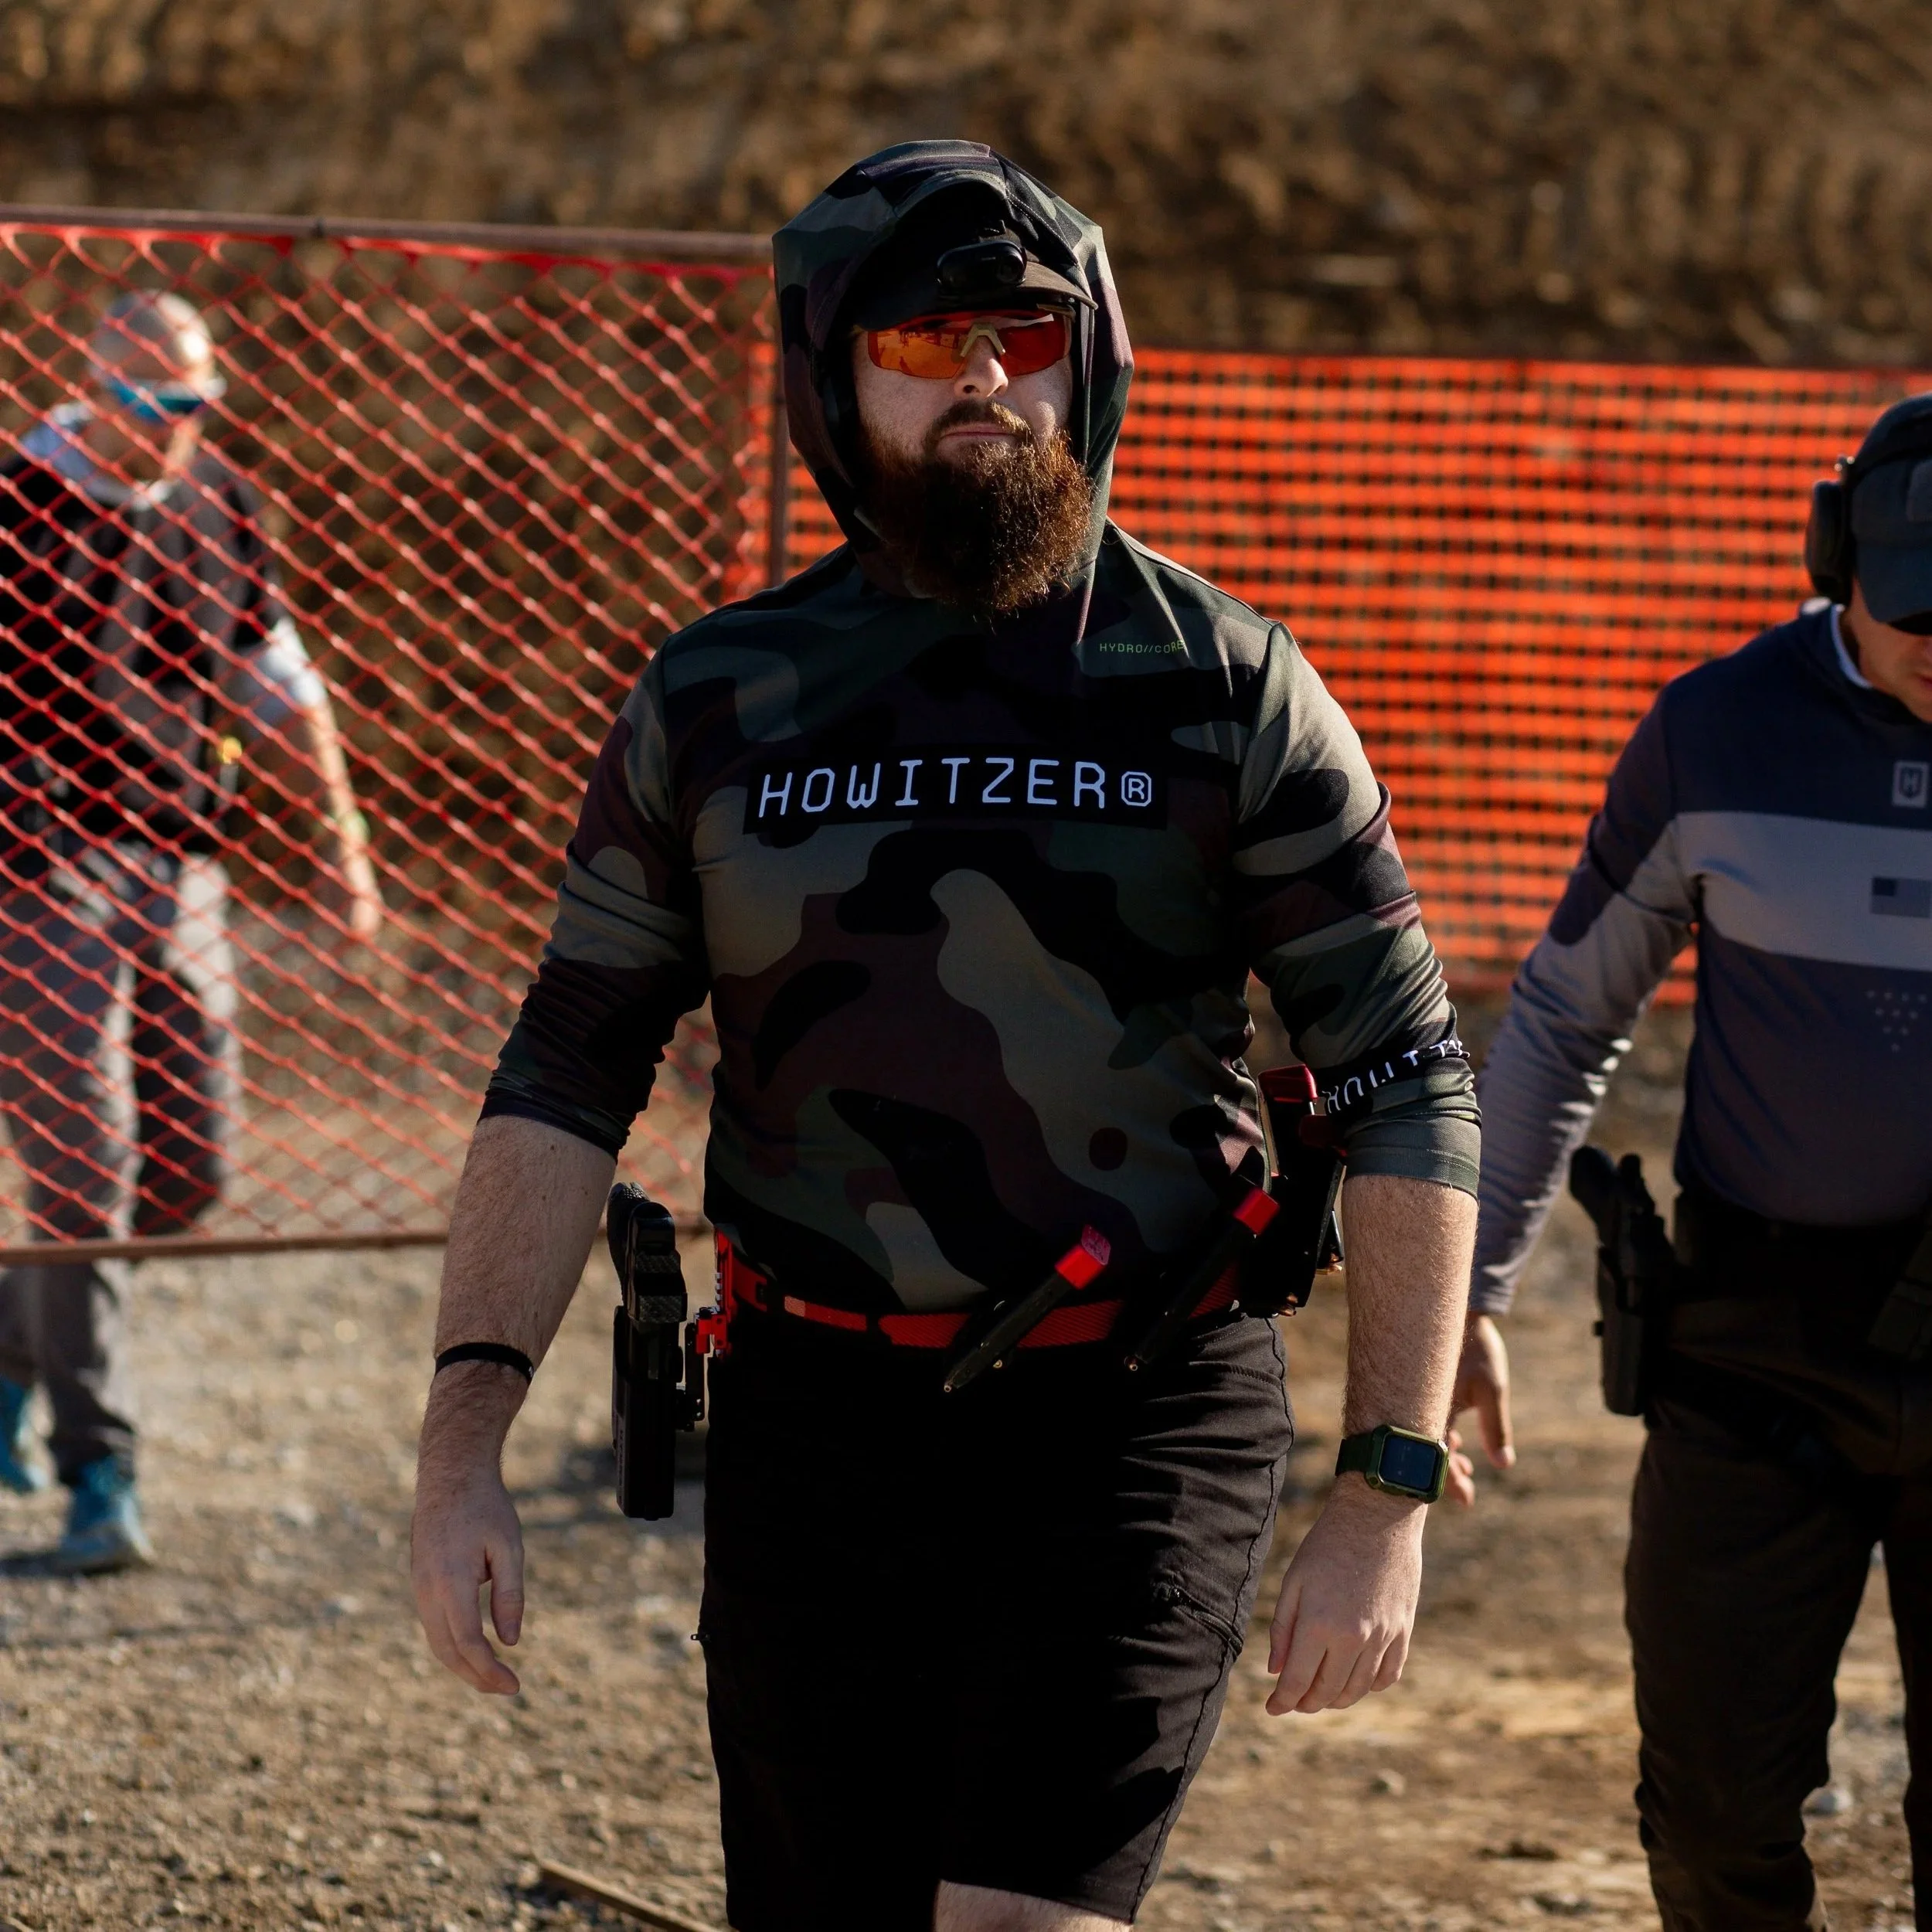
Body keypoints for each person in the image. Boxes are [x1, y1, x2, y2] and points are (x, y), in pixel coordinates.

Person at [413, 141, 1481, 1932]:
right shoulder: (713, 697)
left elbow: (1402, 1081)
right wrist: (462, 1451)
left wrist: (1386, 1481)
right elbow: (565, 1065)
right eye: (922, 345)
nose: (985, 377)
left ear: (1091, 354)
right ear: (835, 377)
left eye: (1022, 333)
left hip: (1137, 1404)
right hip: (812, 1418)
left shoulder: (1227, 683)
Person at [1459, 393, 1932, 1927]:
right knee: (1714, 1810)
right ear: (1831, 555)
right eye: (1912, 605)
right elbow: (1558, 1013)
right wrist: (1463, 1284)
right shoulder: (1716, 730)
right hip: (1754, 1353)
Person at [0, 291, 383, 1572]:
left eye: (196, 403)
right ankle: (100, 1472)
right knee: (87, 1172)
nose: (176, 426)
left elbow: (281, 682)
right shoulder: (22, 506)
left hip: (181, 859)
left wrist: (344, 851)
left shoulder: (217, 499)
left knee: (190, 1171)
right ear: (94, 386)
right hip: (40, 869)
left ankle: (15, 1347)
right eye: (153, 403)